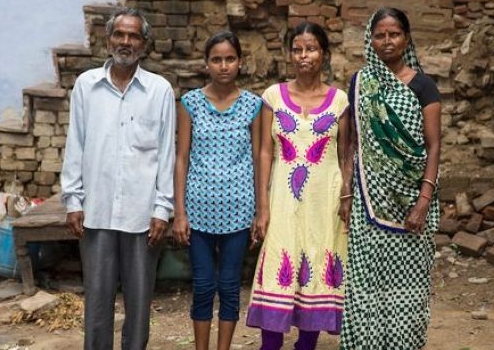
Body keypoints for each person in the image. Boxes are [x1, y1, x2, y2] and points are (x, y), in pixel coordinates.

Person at [60, 8, 176, 350]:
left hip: (143, 216)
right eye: (119, 35)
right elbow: (75, 144)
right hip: (96, 212)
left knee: (139, 303)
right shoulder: (87, 86)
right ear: (108, 38)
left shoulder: (159, 90)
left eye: (133, 36)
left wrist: (162, 208)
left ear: (144, 43)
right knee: (97, 301)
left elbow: (166, 152)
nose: (125, 41)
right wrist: (73, 200)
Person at [246, 21, 354, 350]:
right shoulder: (272, 97)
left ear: (324, 54)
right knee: (279, 256)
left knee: (320, 260)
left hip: (325, 202)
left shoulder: (339, 102)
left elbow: (346, 152)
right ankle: (271, 344)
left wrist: (346, 195)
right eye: (297, 49)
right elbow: (265, 152)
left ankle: (306, 343)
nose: (303, 56)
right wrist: (262, 208)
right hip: (282, 201)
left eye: (311, 49)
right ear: (289, 54)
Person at [339, 7, 442, 350]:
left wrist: (423, 202)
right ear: (371, 40)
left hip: (412, 202)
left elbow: (433, 145)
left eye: (394, 34)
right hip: (368, 201)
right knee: (366, 282)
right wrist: (347, 192)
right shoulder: (361, 83)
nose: (387, 41)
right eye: (380, 35)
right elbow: (355, 143)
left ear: (406, 38)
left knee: (408, 286)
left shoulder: (424, 86)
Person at [172, 31, 262, 350]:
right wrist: (179, 212)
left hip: (239, 211)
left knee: (229, 285)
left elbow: (258, 157)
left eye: (230, 59)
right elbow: (181, 158)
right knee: (203, 285)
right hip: (197, 212)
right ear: (206, 64)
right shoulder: (190, 103)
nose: (224, 65)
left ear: (239, 62)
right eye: (216, 59)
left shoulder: (253, 105)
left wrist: (259, 212)